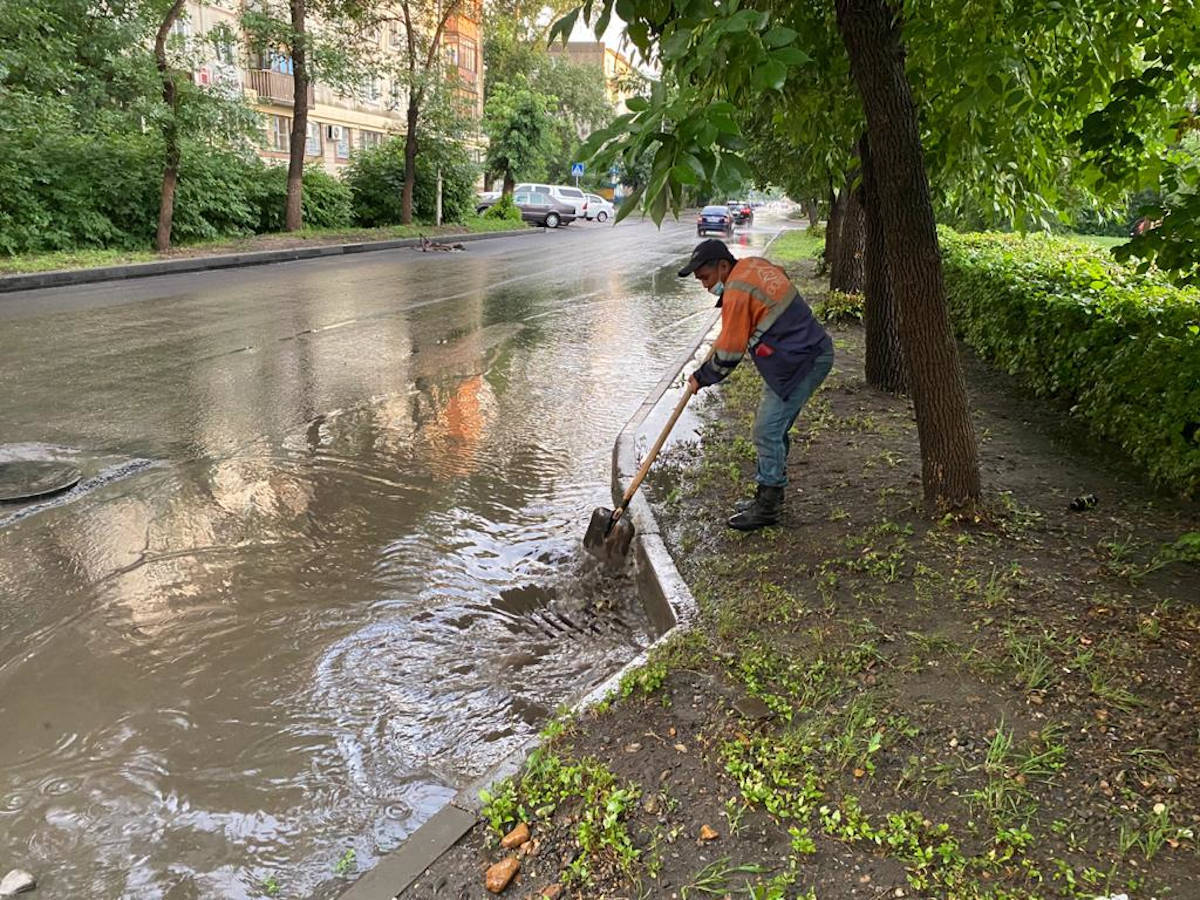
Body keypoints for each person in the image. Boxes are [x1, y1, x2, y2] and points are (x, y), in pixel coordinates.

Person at [679, 238, 834, 530]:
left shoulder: (737, 291)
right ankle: (769, 493)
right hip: (798, 356)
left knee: (767, 430)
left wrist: (702, 376)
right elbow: (780, 274)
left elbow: (728, 354)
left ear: (723, 266)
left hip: (803, 360)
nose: (704, 285)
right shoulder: (753, 266)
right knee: (774, 429)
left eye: (706, 278)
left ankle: (768, 505)